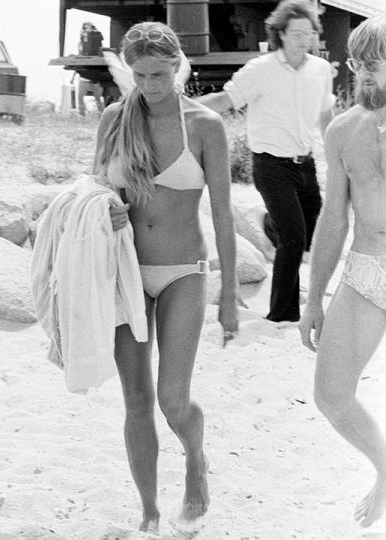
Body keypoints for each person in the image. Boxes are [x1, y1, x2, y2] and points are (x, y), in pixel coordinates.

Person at [94, 22, 239, 533]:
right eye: (139, 75)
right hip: (126, 273)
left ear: (178, 67)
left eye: (159, 73)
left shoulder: (204, 126)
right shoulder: (115, 118)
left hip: (183, 271)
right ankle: (150, 513)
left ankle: (195, 462)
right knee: (136, 399)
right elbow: (93, 190)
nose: (150, 84)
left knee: (172, 400)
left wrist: (228, 296)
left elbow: (222, 213)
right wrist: (105, 209)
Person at [299, 15, 386, 529]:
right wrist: (314, 298)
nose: (365, 77)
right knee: (331, 394)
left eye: (375, 66)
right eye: (358, 65)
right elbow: (334, 219)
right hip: (366, 272)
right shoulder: (342, 129)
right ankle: (384, 465)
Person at [196, 0, 335, 322]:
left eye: (308, 33)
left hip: (306, 164)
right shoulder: (261, 69)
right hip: (271, 164)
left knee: (309, 233)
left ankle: (270, 223)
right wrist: (181, 108)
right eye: (296, 33)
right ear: (281, 34)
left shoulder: (320, 69)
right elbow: (225, 100)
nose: (303, 39)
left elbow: (327, 116)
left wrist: (336, 151)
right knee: (294, 237)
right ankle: (282, 315)